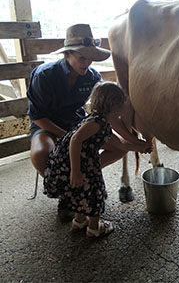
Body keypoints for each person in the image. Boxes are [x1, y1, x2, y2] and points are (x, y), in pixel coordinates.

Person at [27, 24, 150, 221]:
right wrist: (66, 136)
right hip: (47, 125)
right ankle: (66, 194)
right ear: (68, 54)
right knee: (42, 155)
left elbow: (105, 115)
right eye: (82, 57)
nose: (87, 62)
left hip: (77, 122)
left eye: (90, 57)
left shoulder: (93, 77)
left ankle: (82, 179)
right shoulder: (45, 75)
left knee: (120, 148)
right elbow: (37, 117)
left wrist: (133, 140)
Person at [42, 81, 139, 237]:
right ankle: (94, 228)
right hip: (73, 163)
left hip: (80, 161)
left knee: (81, 192)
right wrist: (76, 171)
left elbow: (120, 144)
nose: (123, 109)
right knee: (95, 192)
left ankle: (79, 221)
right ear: (112, 105)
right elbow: (75, 140)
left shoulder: (100, 120)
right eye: (121, 105)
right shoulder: (95, 123)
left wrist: (142, 146)